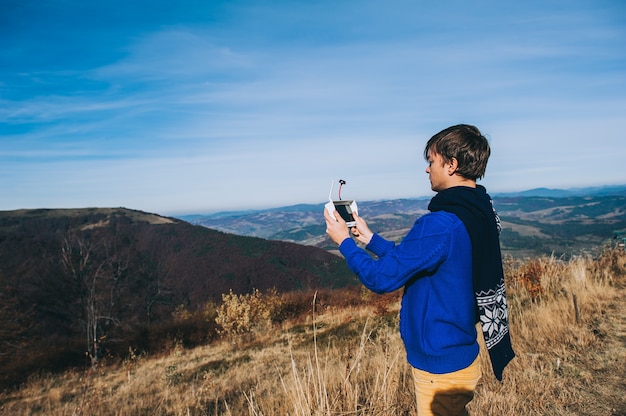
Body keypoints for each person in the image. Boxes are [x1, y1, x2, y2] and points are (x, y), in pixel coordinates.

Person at [324, 124, 515, 416]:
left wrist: (344, 243)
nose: (427, 170)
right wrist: (371, 240)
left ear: (451, 165)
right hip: (459, 353)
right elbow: (420, 259)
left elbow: (382, 277)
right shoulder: (478, 212)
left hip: (440, 368)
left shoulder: (440, 224)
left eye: (432, 161)